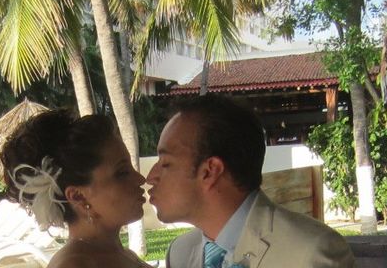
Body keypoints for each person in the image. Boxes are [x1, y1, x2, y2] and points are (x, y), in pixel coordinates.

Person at [147, 95, 354, 268]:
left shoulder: (311, 253)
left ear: (210, 171)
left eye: (166, 163)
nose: (151, 177)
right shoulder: (180, 254)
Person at [1, 109, 151, 268]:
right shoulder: (75, 264)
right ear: (78, 196)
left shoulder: (119, 255)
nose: (140, 179)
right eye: (122, 173)